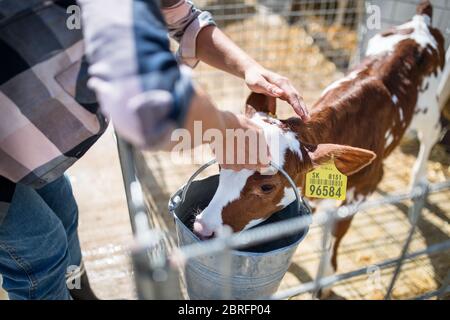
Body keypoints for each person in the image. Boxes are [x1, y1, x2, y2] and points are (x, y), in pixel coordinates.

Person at [0, 0, 308, 300]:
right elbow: (153, 107)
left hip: (18, 140)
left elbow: (183, 18)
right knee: (41, 246)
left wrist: (249, 67)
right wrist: (228, 129)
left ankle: (79, 294)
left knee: (63, 206)